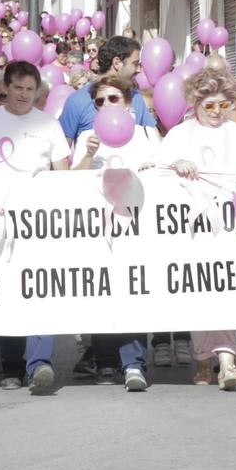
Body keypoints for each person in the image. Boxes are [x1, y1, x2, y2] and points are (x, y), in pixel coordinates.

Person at [0, 60, 70, 393]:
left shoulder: (49, 125)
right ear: (4, 89)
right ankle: (13, 365)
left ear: (37, 92)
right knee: (9, 292)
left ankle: (40, 364)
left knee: (40, 289)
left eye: (29, 89)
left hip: (39, 223)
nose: (23, 95)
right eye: (17, 88)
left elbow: (62, 173)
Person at [159, 69, 236, 390]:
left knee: (228, 290)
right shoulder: (178, 135)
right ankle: (203, 356)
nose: (216, 113)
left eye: (223, 106)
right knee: (199, 292)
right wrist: (177, 167)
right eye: (209, 106)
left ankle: (228, 361)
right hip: (190, 231)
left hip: (230, 229)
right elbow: (157, 173)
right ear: (196, 104)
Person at [70, 76, 158, 391]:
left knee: (134, 294)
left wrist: (152, 170)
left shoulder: (147, 135)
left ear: (128, 101)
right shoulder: (87, 138)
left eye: (113, 99)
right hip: (100, 232)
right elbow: (71, 183)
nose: (107, 106)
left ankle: (134, 363)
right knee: (104, 294)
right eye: (100, 101)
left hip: (137, 228)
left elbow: (162, 176)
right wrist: (87, 157)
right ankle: (106, 360)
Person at [58, 37, 154, 145]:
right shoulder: (77, 101)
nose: (139, 70)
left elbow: (153, 139)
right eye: (135, 64)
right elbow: (62, 151)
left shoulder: (136, 97)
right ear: (117, 63)